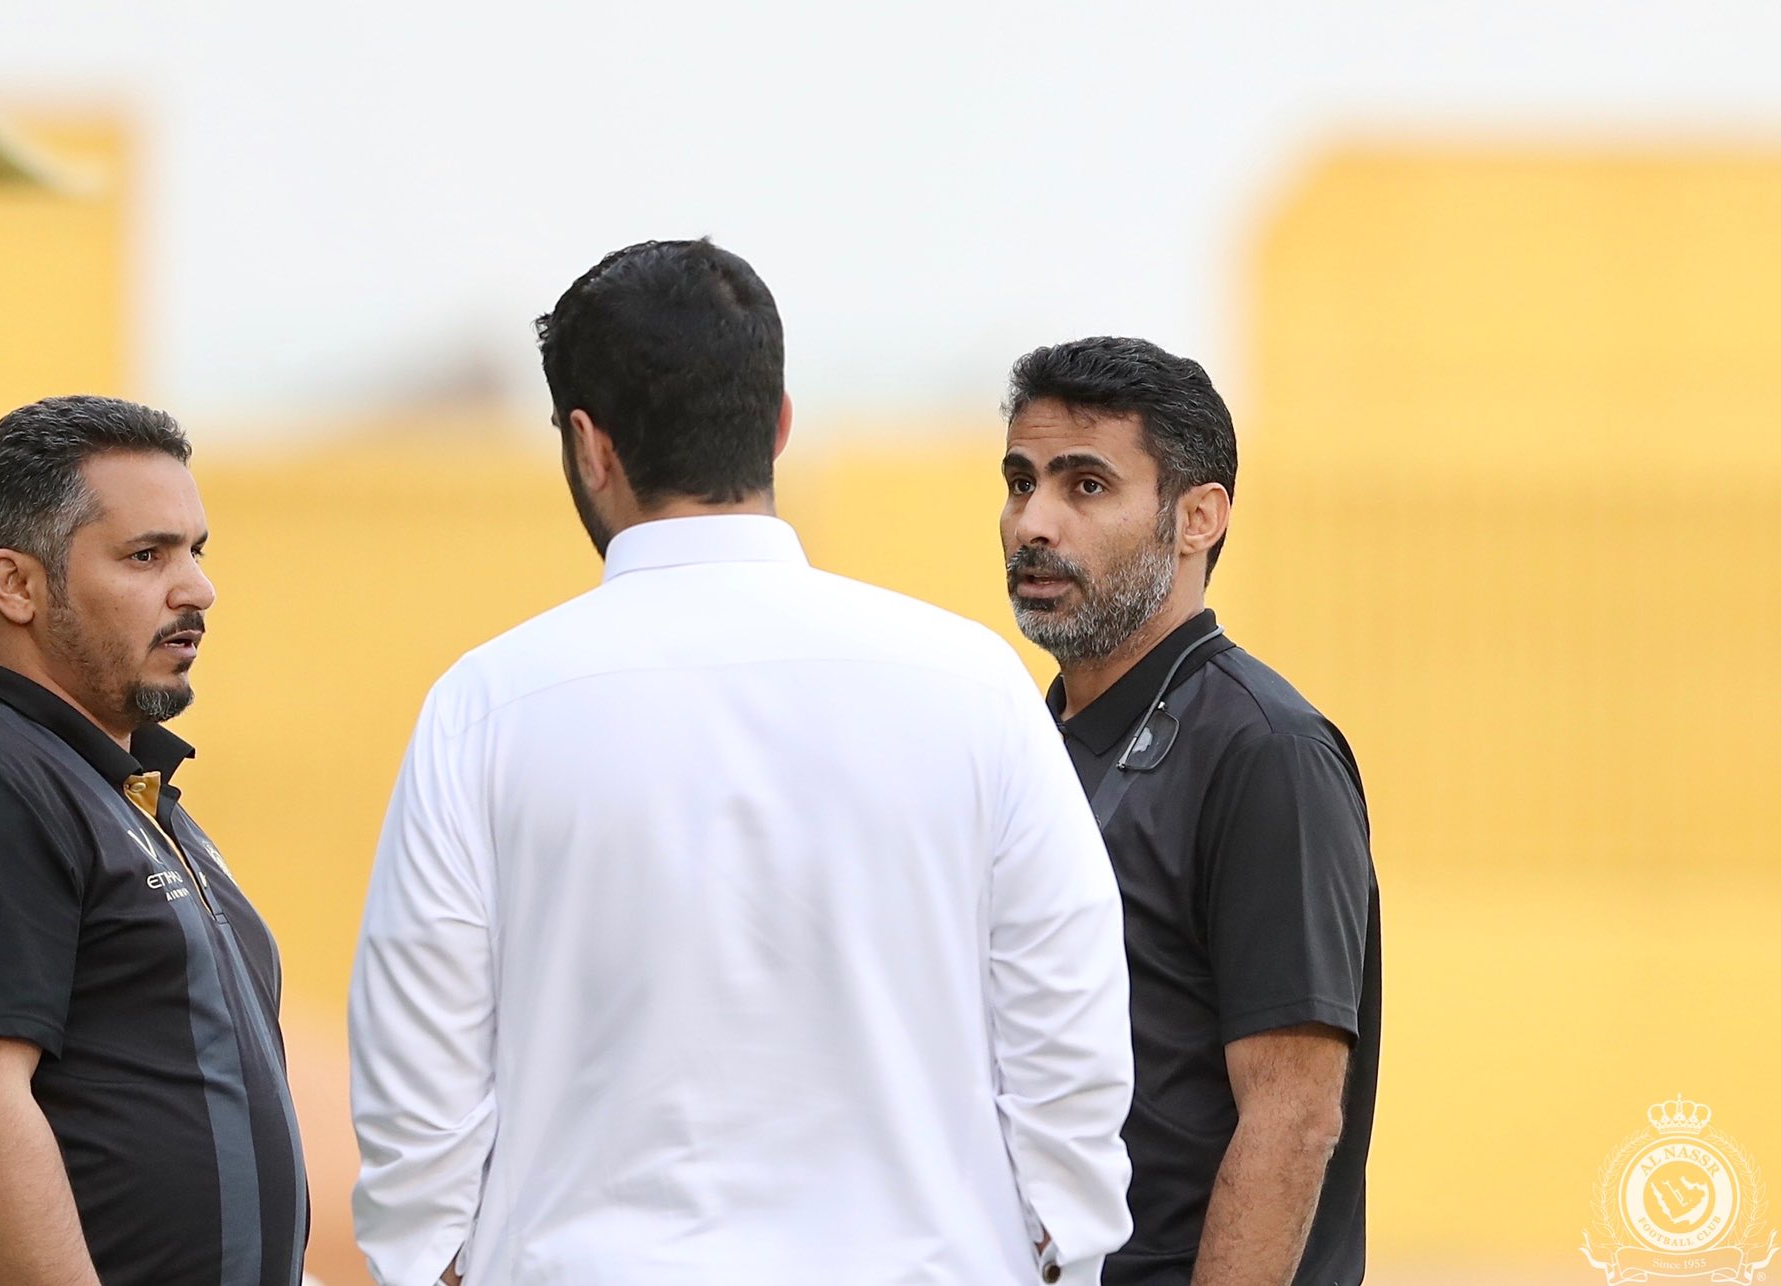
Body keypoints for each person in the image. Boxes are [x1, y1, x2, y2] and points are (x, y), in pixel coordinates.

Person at [349, 240, 1134, 1286]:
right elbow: (1068, 1033)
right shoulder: (972, 683)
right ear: (778, 424)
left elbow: (416, 1082)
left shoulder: (484, 707)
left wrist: (431, 1259)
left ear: (588, 445)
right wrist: (1057, 1249)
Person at [0, 396, 308, 1285]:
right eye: (146, 555)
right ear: (15, 585)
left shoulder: (125, 793)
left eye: (196, 551)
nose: (196, 590)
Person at [996, 337, 1381, 1286]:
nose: (1033, 522)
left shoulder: (1267, 752)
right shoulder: (1025, 744)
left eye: (1086, 485)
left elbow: (1293, 1117)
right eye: (1021, 482)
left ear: (1197, 518)